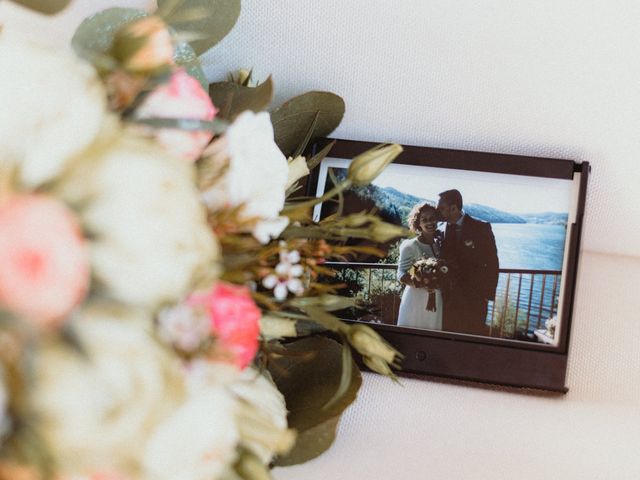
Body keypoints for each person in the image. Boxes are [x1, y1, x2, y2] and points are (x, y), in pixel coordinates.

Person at [437, 189, 499, 335]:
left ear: (453, 208)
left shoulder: (481, 228)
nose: (437, 211)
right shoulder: (439, 230)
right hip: (447, 300)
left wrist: (486, 296)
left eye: (441, 208)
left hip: (474, 300)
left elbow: (492, 263)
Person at [396, 202, 443, 330]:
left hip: (436, 298)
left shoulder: (440, 244)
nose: (429, 222)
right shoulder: (411, 246)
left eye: (432, 218)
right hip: (416, 299)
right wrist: (422, 282)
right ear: (418, 223)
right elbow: (401, 274)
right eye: (424, 220)